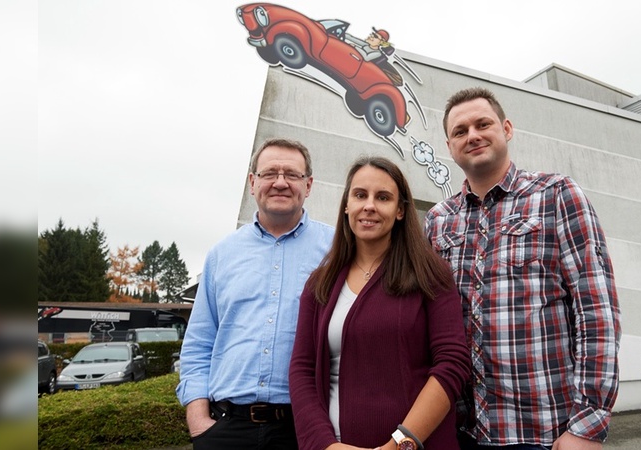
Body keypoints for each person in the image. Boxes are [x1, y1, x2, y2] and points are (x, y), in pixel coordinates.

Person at [425, 87, 621, 450]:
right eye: (460, 131)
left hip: (544, 433)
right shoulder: (438, 221)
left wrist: (588, 424)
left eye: (483, 124)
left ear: (507, 129)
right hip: (461, 431)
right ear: (449, 146)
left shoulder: (556, 195)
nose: (473, 135)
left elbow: (596, 312)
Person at [289, 156, 470, 450]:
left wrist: (399, 444)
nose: (369, 206)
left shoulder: (431, 276)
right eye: (360, 195)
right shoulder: (319, 284)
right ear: (346, 204)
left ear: (400, 210)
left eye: (383, 197)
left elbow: (452, 364)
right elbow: (302, 370)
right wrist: (326, 445)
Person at [176, 138, 335, 449]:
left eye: (291, 174)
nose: (280, 183)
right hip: (225, 430)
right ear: (252, 183)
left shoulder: (335, 250)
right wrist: (198, 421)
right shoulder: (222, 255)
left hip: (305, 429)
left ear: (309, 184)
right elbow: (198, 344)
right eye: (269, 173)